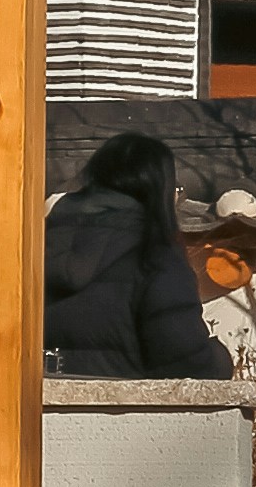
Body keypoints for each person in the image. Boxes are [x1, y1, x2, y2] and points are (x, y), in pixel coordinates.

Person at [43, 131, 214, 376]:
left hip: (29, 405)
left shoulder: (33, 245)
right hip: (116, 409)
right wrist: (219, 355)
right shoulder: (155, 255)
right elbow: (188, 363)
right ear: (159, 187)